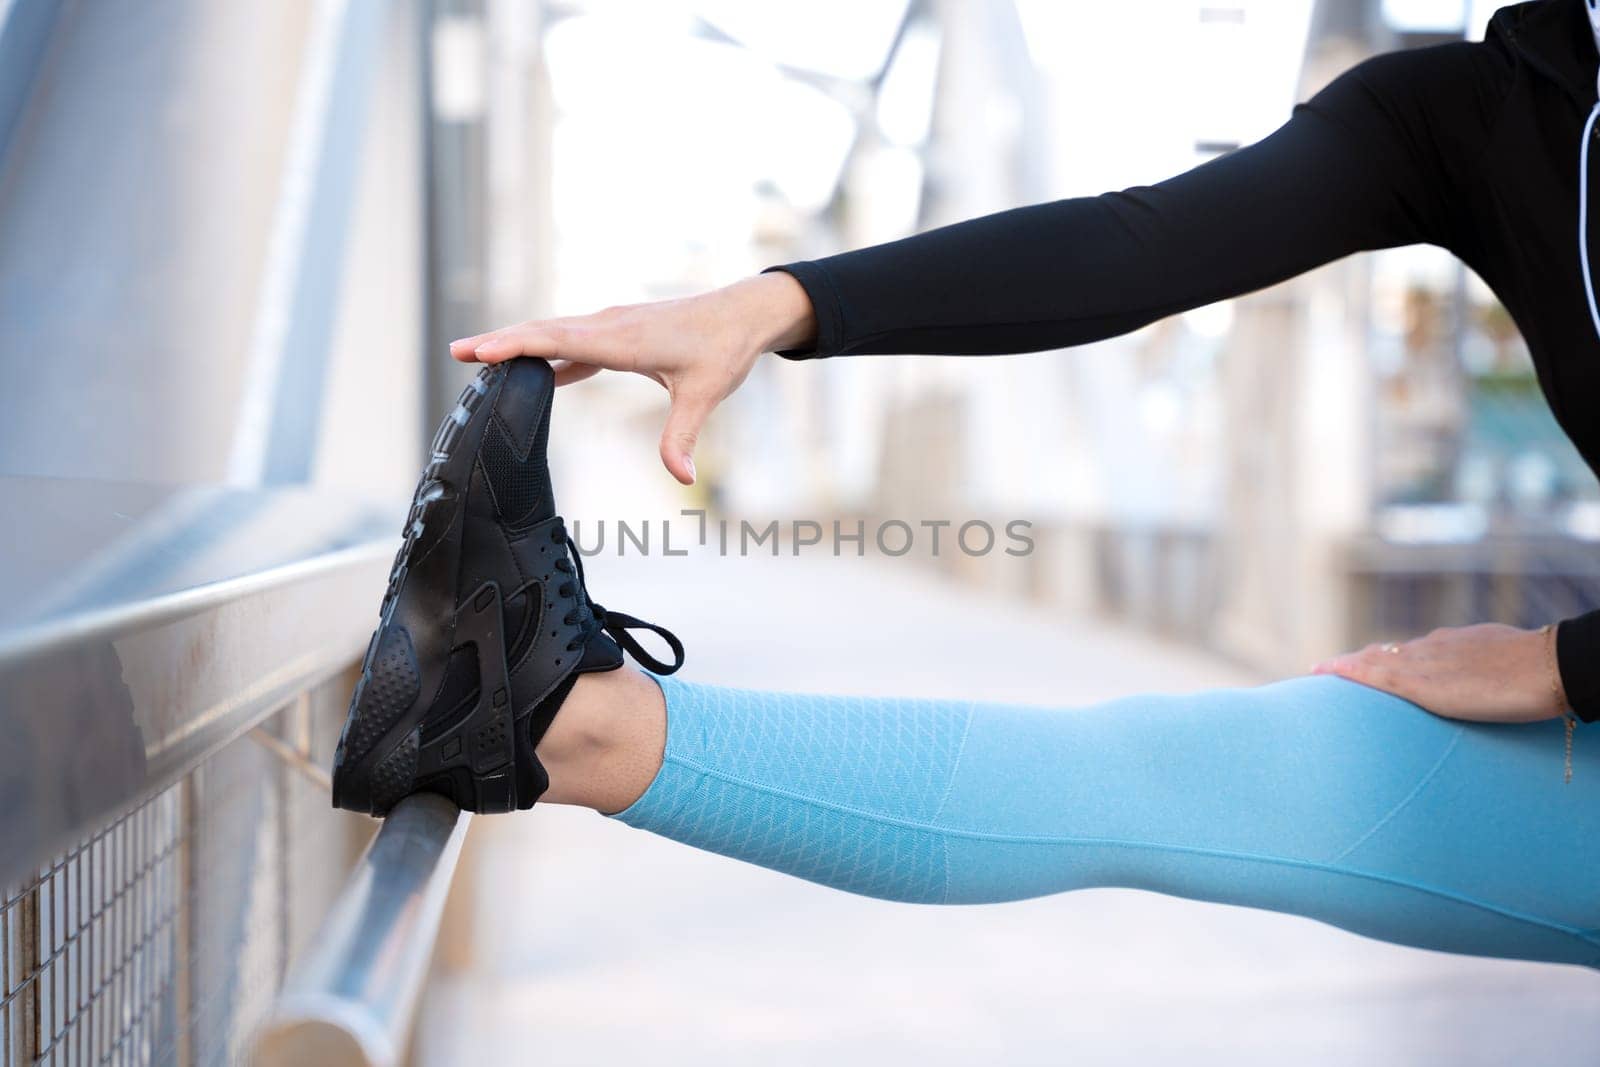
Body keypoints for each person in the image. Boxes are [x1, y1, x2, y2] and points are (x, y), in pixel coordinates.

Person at [333, 0, 1600, 969]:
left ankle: (556, 723)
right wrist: (771, 307)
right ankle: (558, 724)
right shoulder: (1492, 108)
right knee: (1179, 769)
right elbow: (1136, 243)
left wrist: (1565, 663)